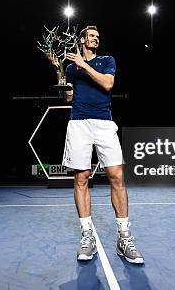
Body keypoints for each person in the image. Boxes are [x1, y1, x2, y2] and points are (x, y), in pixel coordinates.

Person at [46, 25, 143, 264]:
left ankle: (124, 237)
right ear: (82, 39)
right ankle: (87, 235)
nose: (96, 39)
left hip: (104, 123)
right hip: (79, 123)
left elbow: (108, 84)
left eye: (98, 36)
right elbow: (67, 97)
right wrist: (59, 70)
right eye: (91, 36)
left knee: (117, 176)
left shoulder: (107, 60)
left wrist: (84, 65)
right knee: (81, 178)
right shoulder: (71, 67)